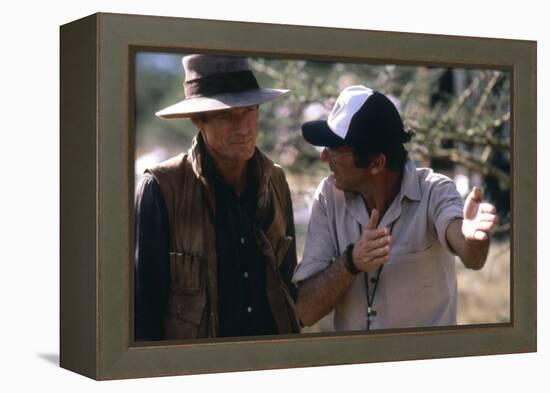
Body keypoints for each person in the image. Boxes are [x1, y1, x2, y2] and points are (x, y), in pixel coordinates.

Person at [293, 85, 498, 331]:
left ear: (376, 163)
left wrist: (473, 237)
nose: (324, 158)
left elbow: (470, 254)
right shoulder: (328, 196)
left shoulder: (435, 191)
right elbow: (304, 311)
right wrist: (350, 262)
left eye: (335, 149)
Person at [134, 54, 299, 340]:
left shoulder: (275, 181)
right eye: (226, 115)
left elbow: (288, 283)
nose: (243, 127)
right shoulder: (161, 187)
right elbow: (144, 310)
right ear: (198, 120)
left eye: (249, 110)